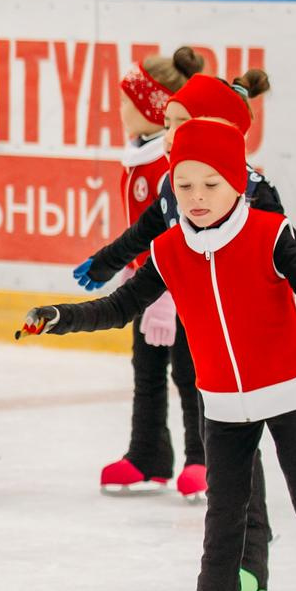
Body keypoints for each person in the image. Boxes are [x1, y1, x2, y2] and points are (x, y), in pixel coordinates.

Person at [21, 116, 296, 591]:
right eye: (184, 185)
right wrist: (60, 316)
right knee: (223, 511)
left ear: (236, 182)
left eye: (211, 184)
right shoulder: (169, 249)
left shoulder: (270, 233)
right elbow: (119, 307)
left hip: (287, 391)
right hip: (224, 402)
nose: (197, 197)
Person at [89, 48, 210, 497]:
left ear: (154, 109)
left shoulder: (170, 163)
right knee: (146, 370)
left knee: (190, 373)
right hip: (148, 285)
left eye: (127, 102)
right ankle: (148, 455)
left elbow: (178, 232)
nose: (119, 111)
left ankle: (203, 459)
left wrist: (168, 295)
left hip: (183, 290)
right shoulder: (140, 156)